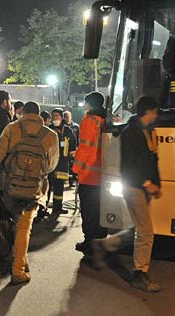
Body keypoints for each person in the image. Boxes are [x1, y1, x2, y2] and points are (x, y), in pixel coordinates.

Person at [91, 96, 163, 292]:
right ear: (148, 112)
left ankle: (104, 245)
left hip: (144, 187)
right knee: (146, 231)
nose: (156, 115)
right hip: (134, 187)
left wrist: (157, 184)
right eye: (155, 112)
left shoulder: (148, 131)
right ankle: (140, 274)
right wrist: (148, 184)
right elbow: (131, 164)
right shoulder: (131, 132)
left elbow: (153, 160)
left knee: (138, 228)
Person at [0, 101, 59, 285]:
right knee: (24, 227)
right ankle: (18, 269)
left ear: (24, 112)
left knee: (9, 222)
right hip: (32, 189)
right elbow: (52, 166)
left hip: (9, 186)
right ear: (38, 114)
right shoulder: (50, 135)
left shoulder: (12, 128)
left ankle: (14, 257)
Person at [73, 91, 108, 255]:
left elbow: (85, 148)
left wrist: (75, 169)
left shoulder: (89, 121)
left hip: (88, 175)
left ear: (90, 104)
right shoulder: (105, 120)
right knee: (99, 209)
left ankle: (89, 242)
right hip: (103, 174)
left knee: (88, 211)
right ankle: (100, 240)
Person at [48, 108, 77, 215]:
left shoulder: (68, 130)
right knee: (48, 186)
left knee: (59, 187)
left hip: (63, 163)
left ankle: (57, 207)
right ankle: (43, 209)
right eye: (53, 116)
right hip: (50, 163)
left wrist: (72, 158)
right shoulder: (48, 129)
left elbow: (73, 144)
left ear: (61, 117)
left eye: (57, 116)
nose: (55, 118)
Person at [63, 110, 80, 189]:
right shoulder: (62, 127)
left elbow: (78, 137)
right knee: (66, 165)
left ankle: (72, 181)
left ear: (71, 116)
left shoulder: (76, 126)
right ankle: (65, 181)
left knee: (73, 165)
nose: (66, 118)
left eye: (68, 116)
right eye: (65, 116)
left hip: (74, 148)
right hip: (65, 149)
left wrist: (77, 147)